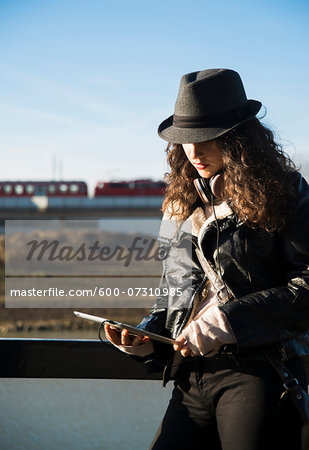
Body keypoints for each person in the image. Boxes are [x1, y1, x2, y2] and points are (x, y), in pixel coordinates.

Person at [105, 68, 309, 450]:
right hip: (190, 377)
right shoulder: (178, 205)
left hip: (261, 372)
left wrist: (229, 321)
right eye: (185, 141)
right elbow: (173, 296)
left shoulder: (287, 191)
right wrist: (146, 337)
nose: (194, 152)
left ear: (239, 139)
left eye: (207, 139)